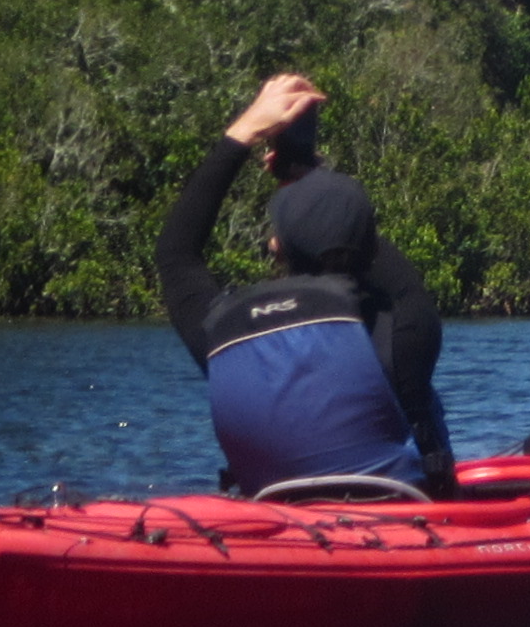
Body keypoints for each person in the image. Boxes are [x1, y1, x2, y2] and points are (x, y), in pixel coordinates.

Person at [155, 74, 449, 493]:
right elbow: (370, 257)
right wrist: (304, 175)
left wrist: (244, 132)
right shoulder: (404, 334)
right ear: (368, 243)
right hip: (404, 524)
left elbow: (176, 252)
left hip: (281, 527)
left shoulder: (225, 334)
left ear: (277, 246)